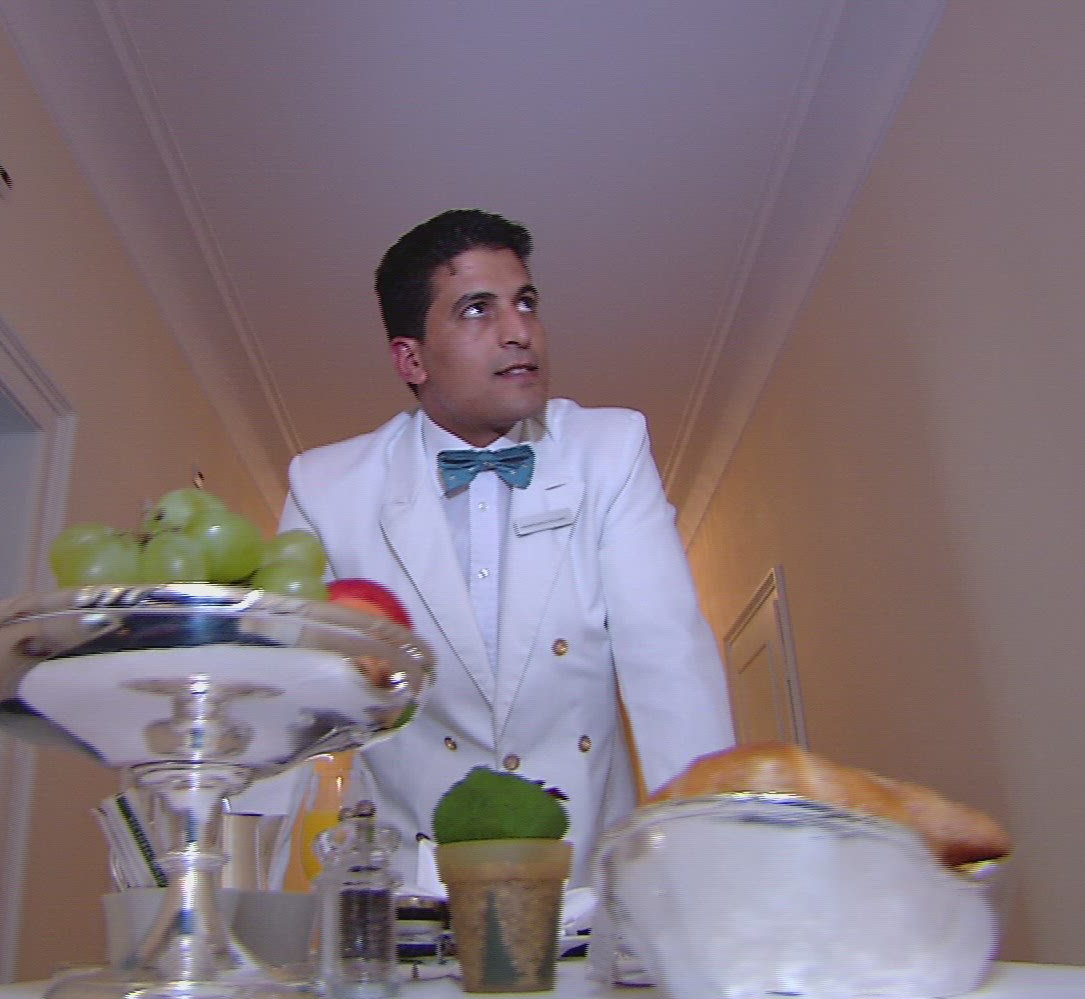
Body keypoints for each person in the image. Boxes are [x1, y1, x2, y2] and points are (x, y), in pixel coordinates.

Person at [264, 209, 734, 887]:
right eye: (477, 309)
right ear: (411, 358)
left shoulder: (610, 450)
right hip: (413, 889)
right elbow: (280, 705)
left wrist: (711, 888)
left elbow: (669, 666)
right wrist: (232, 909)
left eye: (526, 302)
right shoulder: (327, 486)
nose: (519, 331)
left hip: (586, 882)